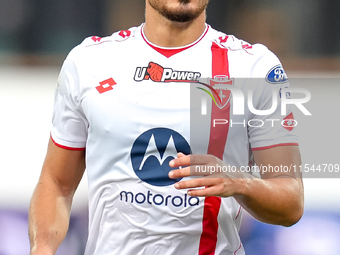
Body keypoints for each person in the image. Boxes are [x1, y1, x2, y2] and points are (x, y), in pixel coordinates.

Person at [28, 0, 304, 254]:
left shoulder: (254, 67)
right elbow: (56, 183)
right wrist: (41, 249)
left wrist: (239, 183)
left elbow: (290, 202)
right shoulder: (88, 62)